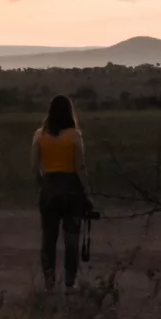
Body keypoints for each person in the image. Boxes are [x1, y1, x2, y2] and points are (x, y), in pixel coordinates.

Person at [31, 94, 93, 293]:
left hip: (49, 188)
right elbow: (81, 167)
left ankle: (49, 282)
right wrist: (87, 192)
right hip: (72, 189)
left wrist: (44, 183)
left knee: (48, 239)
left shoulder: (39, 135)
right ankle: (69, 282)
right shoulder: (74, 135)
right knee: (71, 239)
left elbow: (34, 167)